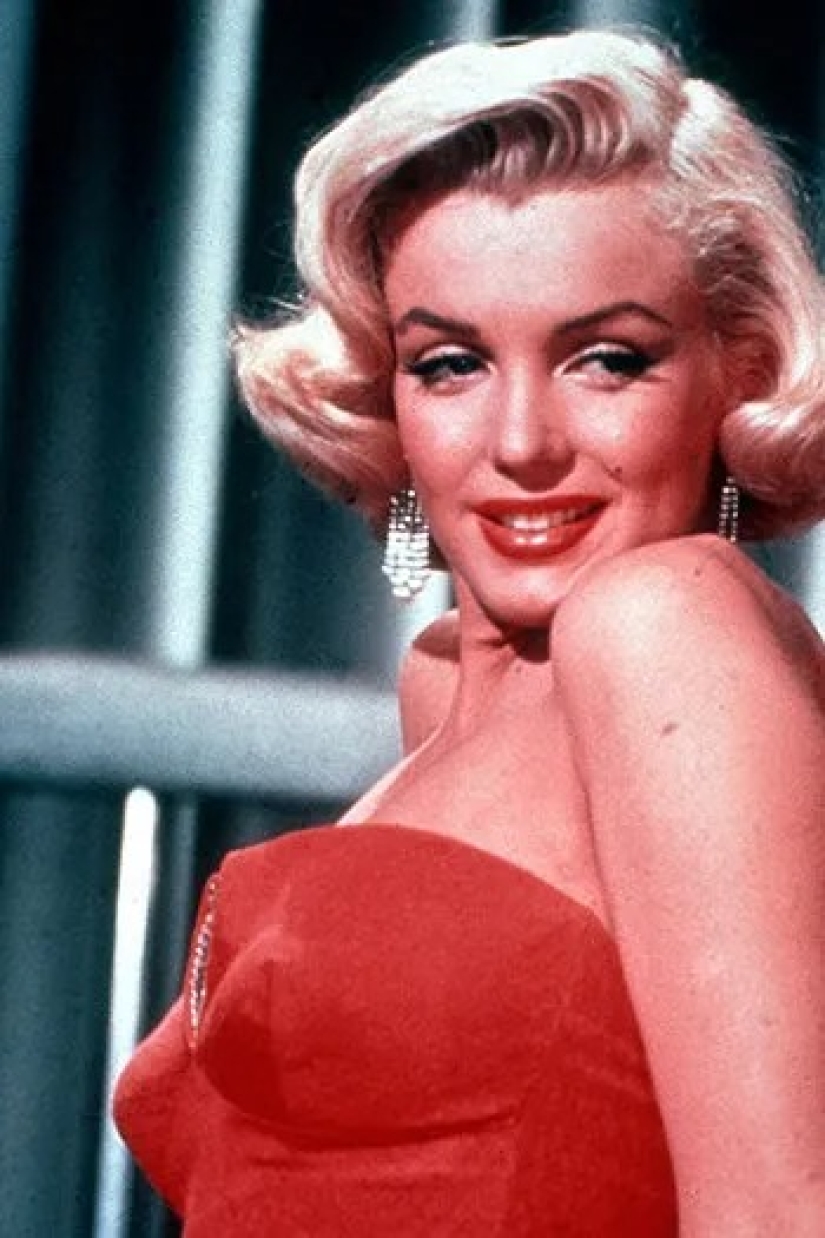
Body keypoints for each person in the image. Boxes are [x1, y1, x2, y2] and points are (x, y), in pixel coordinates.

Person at [113, 29, 825, 1236]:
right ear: (386, 391)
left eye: (608, 359)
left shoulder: (664, 622)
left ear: (738, 370)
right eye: (450, 364)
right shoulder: (441, 688)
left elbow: (779, 1211)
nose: (522, 443)